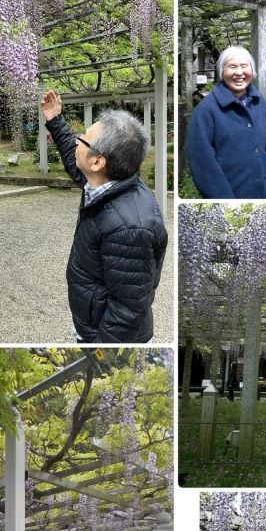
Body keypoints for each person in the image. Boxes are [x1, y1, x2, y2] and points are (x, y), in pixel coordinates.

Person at [41, 90, 168, 342]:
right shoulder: (105, 182)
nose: (77, 140)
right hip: (93, 321)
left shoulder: (130, 227)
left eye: (83, 138)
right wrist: (55, 119)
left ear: (98, 161)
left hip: (109, 336)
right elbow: (73, 157)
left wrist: (97, 352)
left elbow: (128, 310)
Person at [186, 46, 266, 199]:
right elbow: (202, 162)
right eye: (232, 67)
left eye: (244, 66)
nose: (239, 72)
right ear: (222, 71)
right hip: (232, 195)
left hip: (264, 192)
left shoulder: (259, 102)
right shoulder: (206, 110)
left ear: (252, 70)